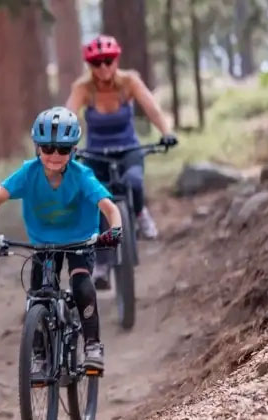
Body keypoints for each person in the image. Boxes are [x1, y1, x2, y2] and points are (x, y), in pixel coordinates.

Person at [0, 107, 123, 372]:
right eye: (48, 148)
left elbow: (109, 207)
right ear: (37, 148)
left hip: (80, 241)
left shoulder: (82, 176)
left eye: (63, 150)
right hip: (43, 243)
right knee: (38, 295)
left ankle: (92, 345)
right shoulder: (28, 173)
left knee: (82, 286)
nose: (55, 155)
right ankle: (40, 355)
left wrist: (115, 230)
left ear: (74, 150)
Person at [65, 34, 177, 289]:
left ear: (116, 60)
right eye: (96, 62)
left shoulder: (129, 82)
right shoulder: (83, 88)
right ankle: (103, 265)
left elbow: (152, 109)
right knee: (100, 201)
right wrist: (65, 145)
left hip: (128, 149)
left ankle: (139, 213)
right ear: (89, 65)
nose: (103, 67)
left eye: (108, 60)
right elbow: (68, 117)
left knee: (135, 182)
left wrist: (166, 133)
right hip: (96, 154)